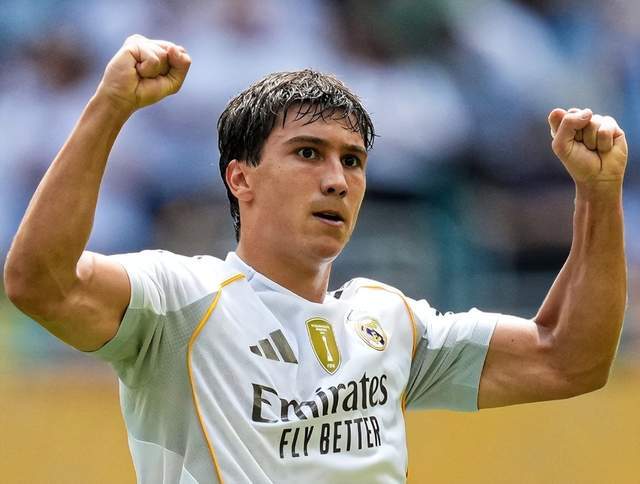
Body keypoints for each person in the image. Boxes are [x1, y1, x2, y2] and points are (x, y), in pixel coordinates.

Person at [3, 35, 628, 484]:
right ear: (240, 178)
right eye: (308, 153)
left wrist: (598, 194)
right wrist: (110, 105)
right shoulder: (181, 300)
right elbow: (40, 282)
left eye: (352, 161)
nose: (337, 180)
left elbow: (569, 358)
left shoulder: (391, 322)